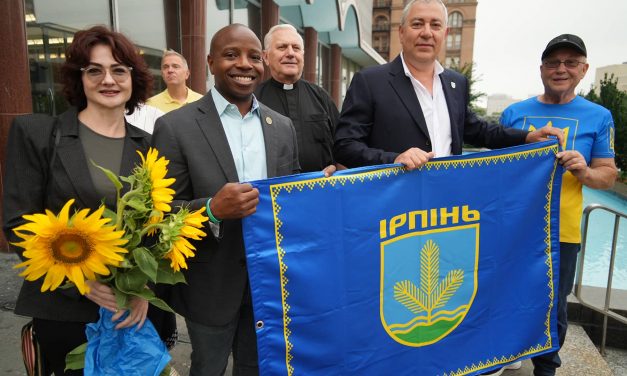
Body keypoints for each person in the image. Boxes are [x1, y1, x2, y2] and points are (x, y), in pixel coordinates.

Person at [2, 26, 174, 375]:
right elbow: (18, 223)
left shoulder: (152, 146)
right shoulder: (38, 135)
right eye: (94, 70)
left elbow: (161, 228)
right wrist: (82, 282)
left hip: (136, 311)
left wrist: (144, 289)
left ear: (133, 78)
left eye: (118, 70)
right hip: (66, 313)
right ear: (78, 78)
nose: (107, 79)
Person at [152, 24, 300, 376]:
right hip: (210, 284)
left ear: (263, 62)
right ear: (210, 62)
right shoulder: (175, 126)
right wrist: (211, 210)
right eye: (231, 55)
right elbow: (160, 215)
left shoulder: (281, 126)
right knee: (208, 368)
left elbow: (291, 202)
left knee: (256, 367)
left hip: (268, 281)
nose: (243, 64)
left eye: (253, 56)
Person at [500, 34, 617, 376]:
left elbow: (607, 176)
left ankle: (547, 366)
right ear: (541, 69)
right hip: (514, 227)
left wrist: (584, 171)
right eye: (553, 62)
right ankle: (507, 351)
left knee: (554, 305)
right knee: (506, 292)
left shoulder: (599, 116)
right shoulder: (514, 113)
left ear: (584, 69)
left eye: (570, 63)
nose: (560, 69)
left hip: (561, 231)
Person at [333, 0, 563, 170]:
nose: (426, 32)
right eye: (417, 24)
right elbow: (345, 145)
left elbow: (478, 130)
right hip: (392, 208)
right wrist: (393, 158)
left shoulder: (456, 83)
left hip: (445, 206)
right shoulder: (370, 81)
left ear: (445, 33)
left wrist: (527, 137)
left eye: (435, 25)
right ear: (401, 32)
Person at [255, 24, 339, 173]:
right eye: (282, 47)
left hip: (320, 190)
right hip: (272, 193)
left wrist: (336, 166)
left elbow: (342, 145)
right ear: (266, 57)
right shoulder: (253, 100)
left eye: (296, 48)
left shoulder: (321, 97)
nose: (290, 53)